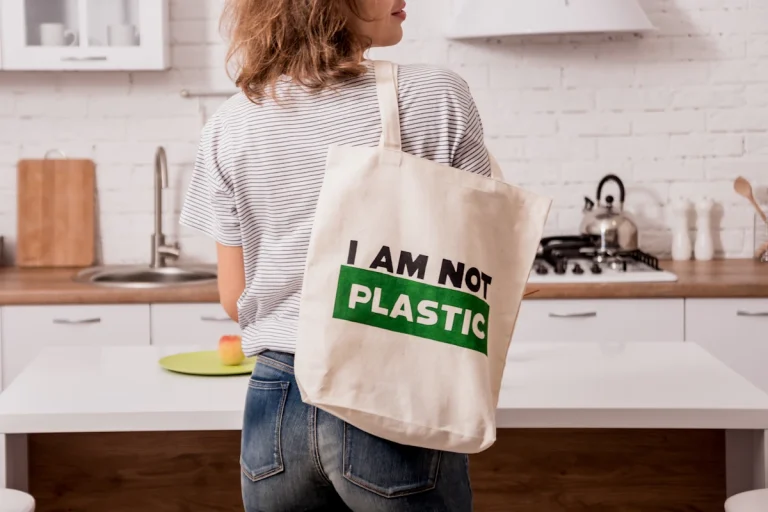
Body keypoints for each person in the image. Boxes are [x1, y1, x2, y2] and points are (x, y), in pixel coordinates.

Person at [180, 0, 492, 510]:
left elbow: (236, 300)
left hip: (274, 406)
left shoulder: (230, 122)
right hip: (389, 390)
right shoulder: (434, 94)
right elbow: (484, 254)